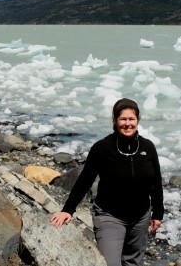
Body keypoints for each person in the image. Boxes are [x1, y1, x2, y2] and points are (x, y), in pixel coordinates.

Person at [50, 98, 164, 266]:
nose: (127, 123)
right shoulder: (102, 148)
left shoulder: (148, 147)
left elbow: (155, 182)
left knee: (133, 262)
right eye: (123, 119)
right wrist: (68, 209)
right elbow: (85, 180)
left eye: (131, 119)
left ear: (137, 120)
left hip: (140, 217)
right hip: (110, 216)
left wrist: (158, 213)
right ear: (115, 120)